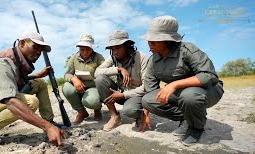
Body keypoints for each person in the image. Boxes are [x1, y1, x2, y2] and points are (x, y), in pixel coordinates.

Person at [0, 31, 65, 146]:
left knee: (40, 83)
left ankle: (49, 120)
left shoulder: (17, 59)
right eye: (35, 47)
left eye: (41, 50)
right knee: (31, 102)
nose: (38, 52)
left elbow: (13, 79)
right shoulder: (4, 62)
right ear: (22, 44)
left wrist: (37, 75)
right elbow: (10, 100)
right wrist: (47, 128)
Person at [141, 15, 224, 146]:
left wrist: (175, 84)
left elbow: (209, 75)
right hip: (181, 94)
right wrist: (146, 111)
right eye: (149, 39)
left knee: (189, 96)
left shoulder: (187, 50)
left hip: (208, 90)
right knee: (147, 100)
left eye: (155, 39)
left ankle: (196, 128)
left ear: (168, 40)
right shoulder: (153, 60)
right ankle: (187, 118)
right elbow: (150, 88)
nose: (150, 42)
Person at [94, 30, 149, 131]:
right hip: (120, 94)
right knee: (100, 79)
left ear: (127, 46)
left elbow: (147, 87)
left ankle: (139, 113)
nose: (115, 51)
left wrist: (124, 95)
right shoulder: (113, 58)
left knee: (129, 110)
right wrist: (119, 69)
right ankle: (115, 117)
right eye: (112, 49)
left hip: (137, 95)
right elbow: (97, 72)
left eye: (118, 47)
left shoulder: (141, 57)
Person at [62, 34, 105, 125]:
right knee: (66, 87)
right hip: (78, 86)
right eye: (82, 49)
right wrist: (74, 79)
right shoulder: (74, 58)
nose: (85, 52)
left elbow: (105, 74)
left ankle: (97, 109)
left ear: (92, 48)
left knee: (92, 101)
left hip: (93, 87)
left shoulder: (99, 57)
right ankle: (82, 112)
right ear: (78, 48)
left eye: (88, 49)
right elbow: (67, 74)